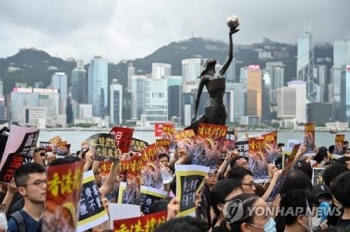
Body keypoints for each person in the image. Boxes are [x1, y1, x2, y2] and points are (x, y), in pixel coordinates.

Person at [185, 27, 239, 134]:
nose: (211, 57)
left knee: (221, 136)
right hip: (211, 109)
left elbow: (230, 57)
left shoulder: (220, 73)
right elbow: (197, 98)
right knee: (213, 136)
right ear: (206, 65)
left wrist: (230, 36)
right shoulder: (205, 78)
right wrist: (194, 114)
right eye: (208, 58)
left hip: (222, 109)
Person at [7, 163, 47, 232]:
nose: (45, 186)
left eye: (46, 181)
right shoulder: (15, 224)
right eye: (38, 183)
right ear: (22, 190)